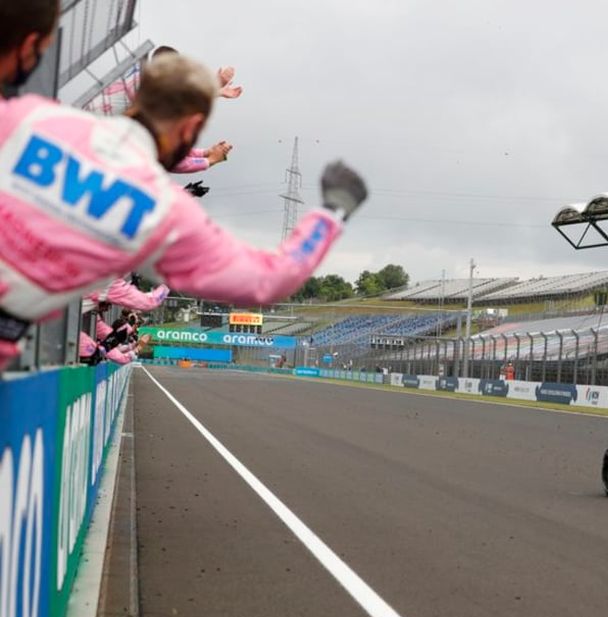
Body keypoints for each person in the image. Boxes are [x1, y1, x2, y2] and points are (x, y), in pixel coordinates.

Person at [0, 5, 368, 370]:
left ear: (134, 94)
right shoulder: (161, 210)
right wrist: (331, 213)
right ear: (191, 128)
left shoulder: (32, 115)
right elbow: (268, 279)